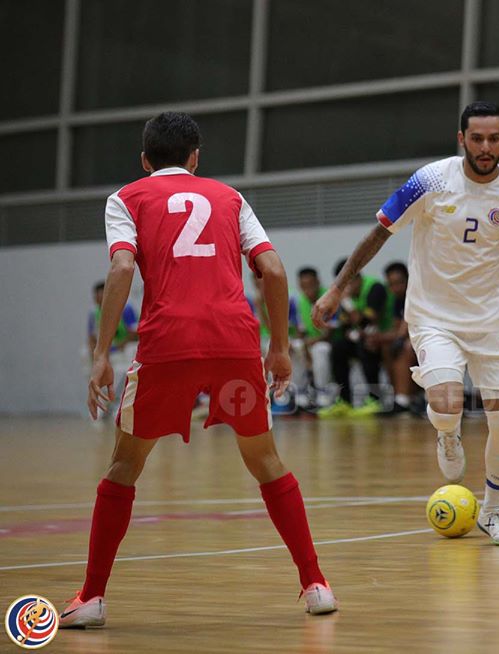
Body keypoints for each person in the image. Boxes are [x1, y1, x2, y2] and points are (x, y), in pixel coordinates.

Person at [61, 112, 337, 628]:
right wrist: (278, 347)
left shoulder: (126, 198)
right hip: (234, 342)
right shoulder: (230, 198)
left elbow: (122, 267)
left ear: (145, 161)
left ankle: (92, 597)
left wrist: (101, 356)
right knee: (266, 461)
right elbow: (273, 269)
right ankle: (315, 584)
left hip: (167, 345)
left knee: (124, 467)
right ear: (195, 158)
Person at [312, 101, 499, 545]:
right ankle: (447, 435)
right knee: (446, 404)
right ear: (461, 139)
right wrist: (337, 290)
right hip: (434, 317)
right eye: (477, 138)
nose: (485, 147)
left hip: (492, 321)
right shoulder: (429, 181)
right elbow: (379, 234)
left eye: (494, 139)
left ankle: (494, 512)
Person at [318, 258, 390, 417]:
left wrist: (347, 302)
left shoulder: (375, 288)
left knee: (366, 345)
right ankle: (345, 401)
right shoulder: (345, 297)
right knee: (338, 347)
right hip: (361, 339)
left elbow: (365, 323)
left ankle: (375, 399)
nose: (344, 288)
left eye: (347, 283)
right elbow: (345, 327)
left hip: (383, 339)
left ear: (356, 277)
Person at [88, 280, 139, 420]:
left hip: (122, 353)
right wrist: (95, 355)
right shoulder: (94, 313)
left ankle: (119, 406)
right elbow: (91, 337)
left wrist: (121, 345)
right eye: (96, 296)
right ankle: (100, 409)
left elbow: (135, 332)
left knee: (123, 370)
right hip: (105, 353)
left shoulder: (126, 309)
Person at [377, 261, 420, 415]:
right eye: (391, 284)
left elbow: (405, 329)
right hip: (411, 338)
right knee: (387, 348)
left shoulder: (416, 295)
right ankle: (400, 396)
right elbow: (397, 328)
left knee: (405, 347)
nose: (395, 288)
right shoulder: (397, 300)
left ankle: (405, 399)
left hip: (429, 338)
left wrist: (391, 337)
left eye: (399, 283)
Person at [293, 266, 333, 409]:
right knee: (295, 346)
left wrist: (308, 343)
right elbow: (301, 330)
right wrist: (301, 343)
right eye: (304, 287)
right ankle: (300, 393)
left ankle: (324, 394)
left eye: (310, 285)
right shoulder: (299, 302)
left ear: (318, 282)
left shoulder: (328, 299)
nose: (307, 290)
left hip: (328, 342)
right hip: (310, 342)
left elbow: (329, 333)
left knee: (320, 350)